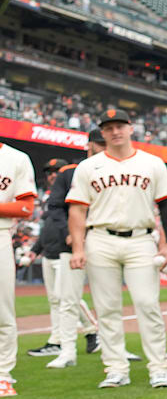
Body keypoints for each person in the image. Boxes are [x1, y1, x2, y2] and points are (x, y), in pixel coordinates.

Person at [66, 109, 167, 389]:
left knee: (147, 303)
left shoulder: (152, 163)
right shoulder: (88, 167)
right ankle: (116, 368)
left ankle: (158, 367)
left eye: (120, 126)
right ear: (102, 133)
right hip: (100, 237)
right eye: (108, 128)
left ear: (131, 128)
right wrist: (78, 248)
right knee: (107, 308)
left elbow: (166, 205)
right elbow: (78, 209)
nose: (115, 132)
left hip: (141, 238)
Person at [31, 140, 101, 366]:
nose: (51, 175)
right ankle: (57, 339)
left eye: (55, 171)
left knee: (67, 296)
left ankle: (91, 331)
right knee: (55, 298)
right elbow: (46, 228)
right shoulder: (52, 199)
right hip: (50, 251)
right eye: (48, 172)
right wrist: (36, 250)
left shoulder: (72, 190)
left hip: (67, 248)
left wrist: (74, 236)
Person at [0, 136, 38, 397]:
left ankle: (3, 374)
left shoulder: (16, 158)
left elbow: (25, 207)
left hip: (0, 233)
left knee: (3, 311)